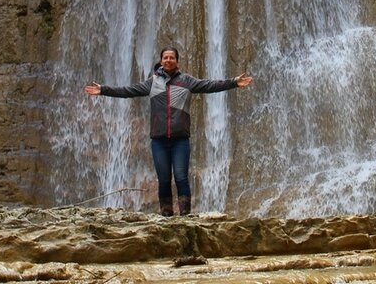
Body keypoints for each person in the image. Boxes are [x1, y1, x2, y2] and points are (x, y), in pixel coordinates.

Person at [84, 46, 253, 216]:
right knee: (164, 180)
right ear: (161, 61)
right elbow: (128, 91)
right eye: (165, 57)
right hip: (159, 140)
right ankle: (166, 216)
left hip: (180, 140)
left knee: (181, 178)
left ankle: (185, 216)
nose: (168, 60)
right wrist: (103, 90)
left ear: (177, 61)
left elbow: (209, 85)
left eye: (172, 57)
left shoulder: (187, 81)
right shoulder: (152, 82)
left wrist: (233, 82)